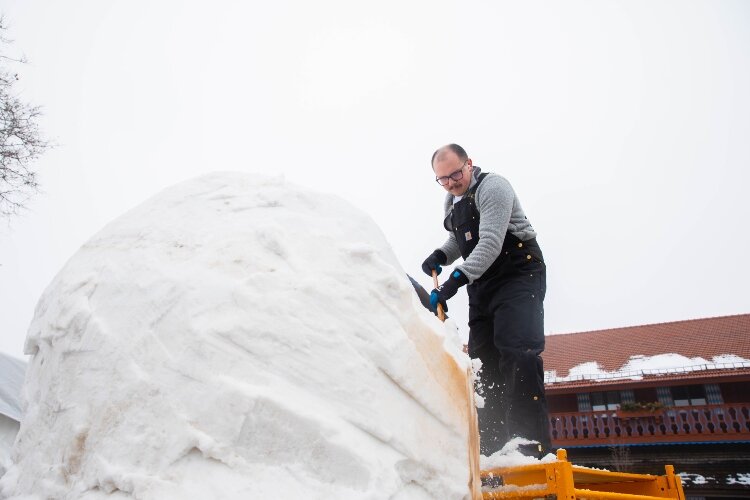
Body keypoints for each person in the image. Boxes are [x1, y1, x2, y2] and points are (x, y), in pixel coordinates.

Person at [421, 143, 550, 458]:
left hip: (518, 275)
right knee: (483, 365)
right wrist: (442, 255)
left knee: (517, 351)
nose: (451, 182)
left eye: (455, 173)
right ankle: (492, 446)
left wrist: (455, 280)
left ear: (469, 163)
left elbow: (490, 241)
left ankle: (527, 441)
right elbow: (459, 238)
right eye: (443, 179)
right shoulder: (451, 201)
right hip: (482, 285)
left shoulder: (494, 187)